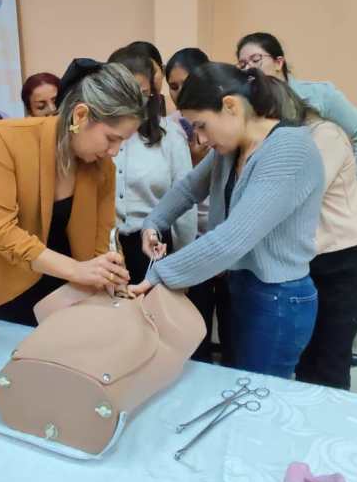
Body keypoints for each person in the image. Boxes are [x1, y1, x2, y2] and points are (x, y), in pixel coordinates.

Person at [130, 63, 324, 378]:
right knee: (238, 385)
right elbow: (189, 187)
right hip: (246, 289)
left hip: (279, 300)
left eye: (202, 125)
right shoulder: (231, 149)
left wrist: (158, 276)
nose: (201, 139)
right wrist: (154, 223)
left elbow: (231, 239)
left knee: (256, 399)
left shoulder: (289, 149)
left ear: (230, 106)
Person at [0, 60, 144, 326]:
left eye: (122, 141)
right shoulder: (5, 139)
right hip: (4, 282)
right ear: (80, 116)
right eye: (111, 138)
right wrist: (77, 270)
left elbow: (103, 241)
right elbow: (0, 231)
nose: (114, 151)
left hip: (66, 289)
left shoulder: (103, 168)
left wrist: (113, 280)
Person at [291, 101, 357, 389]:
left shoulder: (326, 135)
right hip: (307, 255)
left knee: (330, 356)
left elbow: (300, 195)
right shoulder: (287, 135)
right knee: (306, 353)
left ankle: (330, 426)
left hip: (340, 255)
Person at [106, 45, 196, 284]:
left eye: (143, 93)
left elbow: (186, 204)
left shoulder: (170, 135)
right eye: (127, 92)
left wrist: (183, 265)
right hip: (107, 249)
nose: (136, 101)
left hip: (153, 246)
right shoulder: (98, 134)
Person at [163, 46, 230, 363]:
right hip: (190, 243)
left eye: (186, 83)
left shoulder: (228, 127)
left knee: (234, 330)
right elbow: (180, 190)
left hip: (227, 242)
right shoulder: (170, 127)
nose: (179, 93)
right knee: (195, 330)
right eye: (173, 86)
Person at [236, 32, 357, 181]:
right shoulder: (248, 107)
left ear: (279, 63)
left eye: (256, 60)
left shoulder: (319, 94)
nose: (249, 69)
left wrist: (352, 182)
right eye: (242, 65)